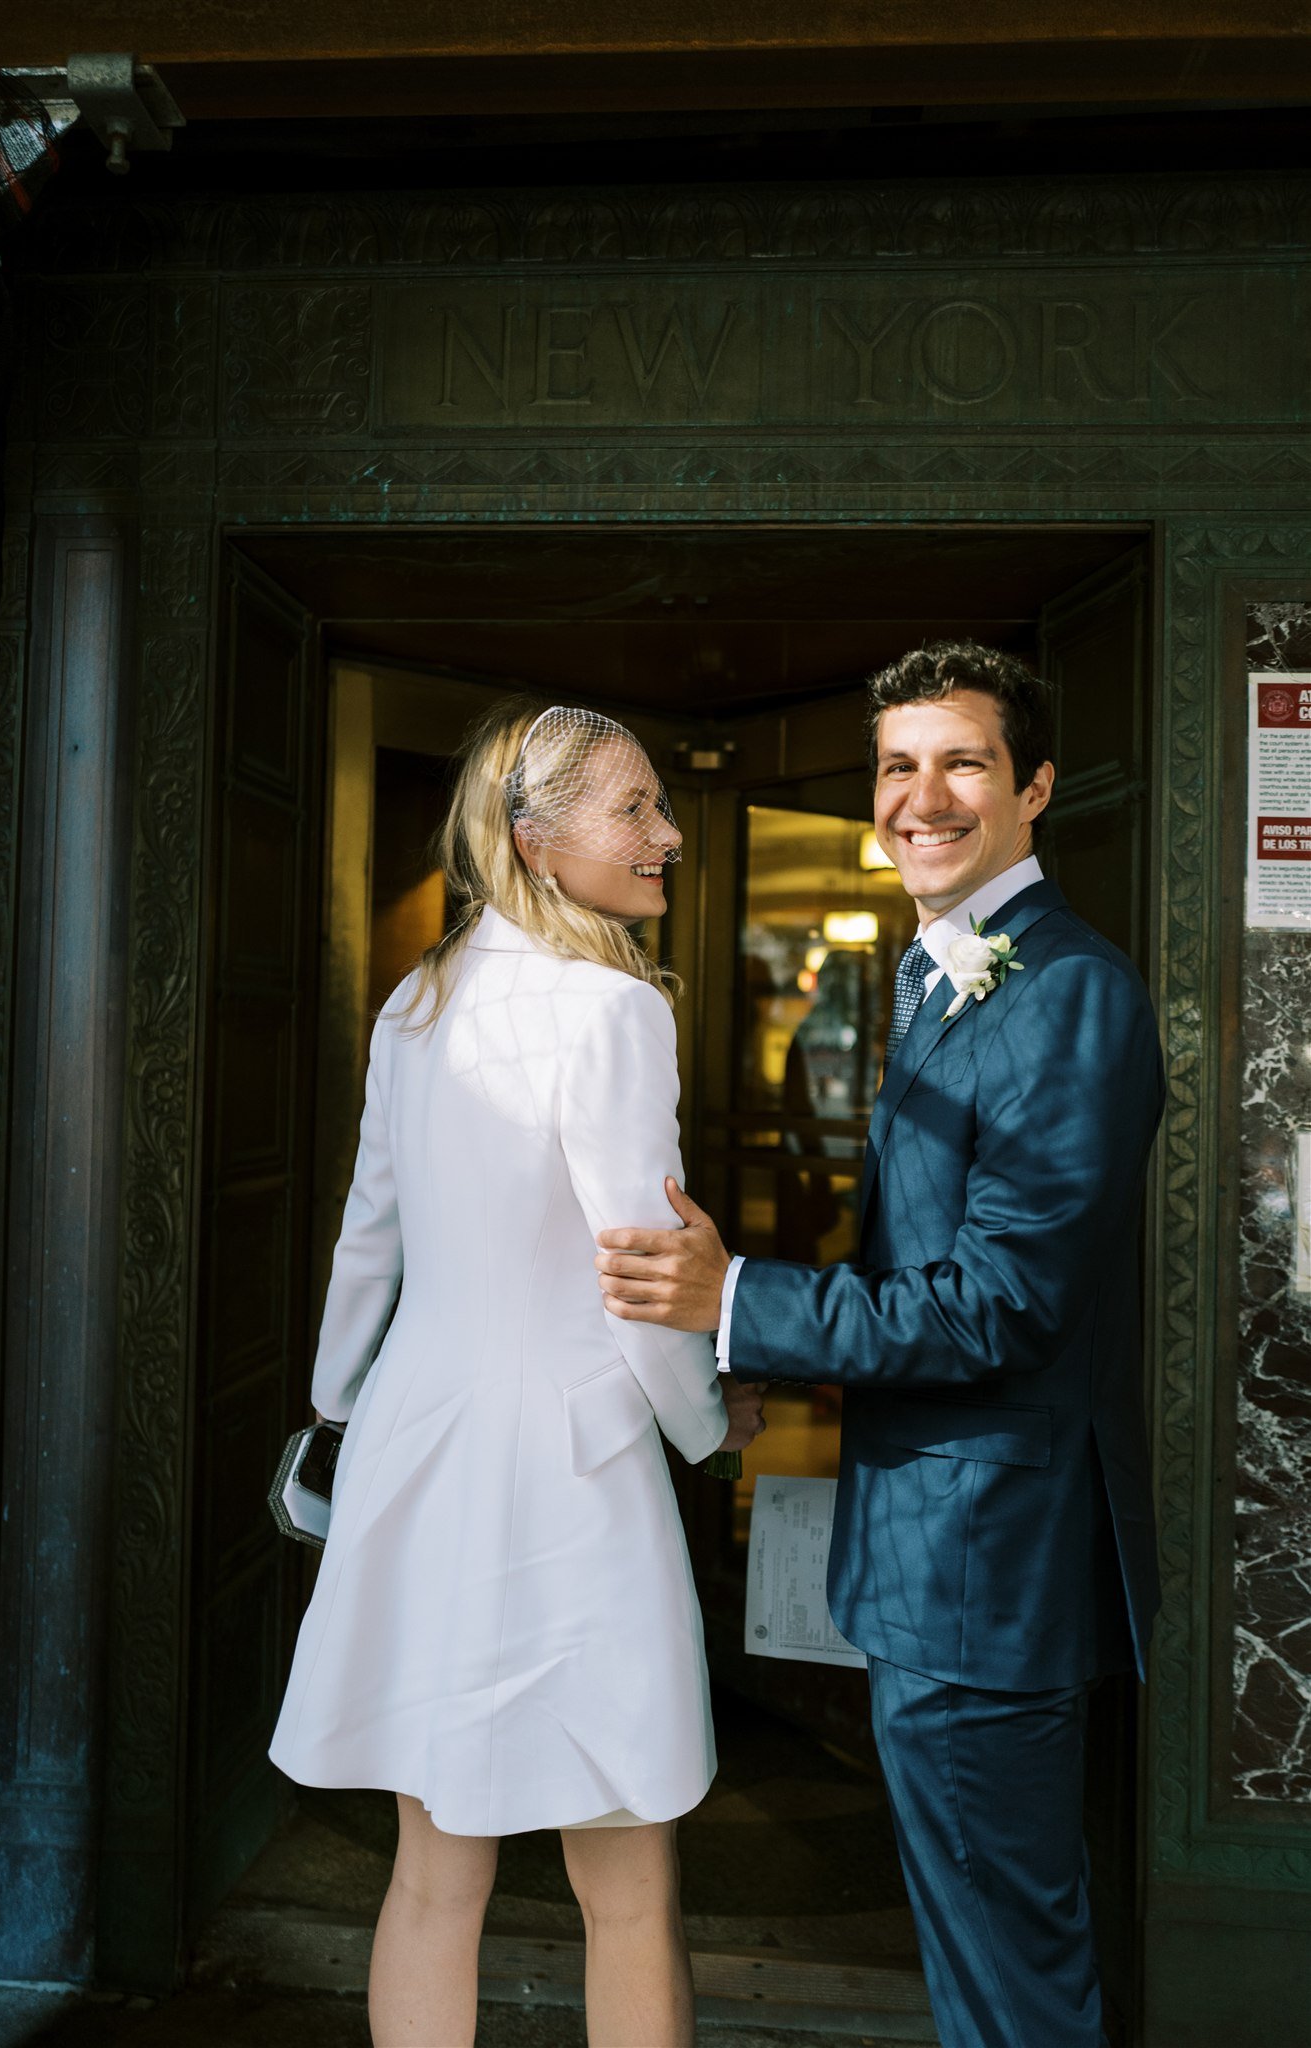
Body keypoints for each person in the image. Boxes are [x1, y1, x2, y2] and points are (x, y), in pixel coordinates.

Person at [593, 641, 1165, 2048]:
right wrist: (750, 1360)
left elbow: (998, 1303)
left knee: (1012, 1983)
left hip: (987, 1568)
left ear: (1035, 787)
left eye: (963, 762)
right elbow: (918, 1262)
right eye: (898, 767)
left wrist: (735, 1299)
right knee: (982, 1962)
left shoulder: (1068, 992)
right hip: (936, 1558)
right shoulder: (939, 973)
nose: (924, 797)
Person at [270, 701, 765, 2048]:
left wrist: (336, 1409)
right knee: (628, 1887)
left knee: (432, 1878)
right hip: (570, 1478)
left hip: (419, 1453)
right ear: (535, 837)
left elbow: (367, 1237)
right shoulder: (612, 1009)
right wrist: (707, 1425)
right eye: (634, 807)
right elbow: (639, 1271)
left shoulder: (415, 1001)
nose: (668, 835)